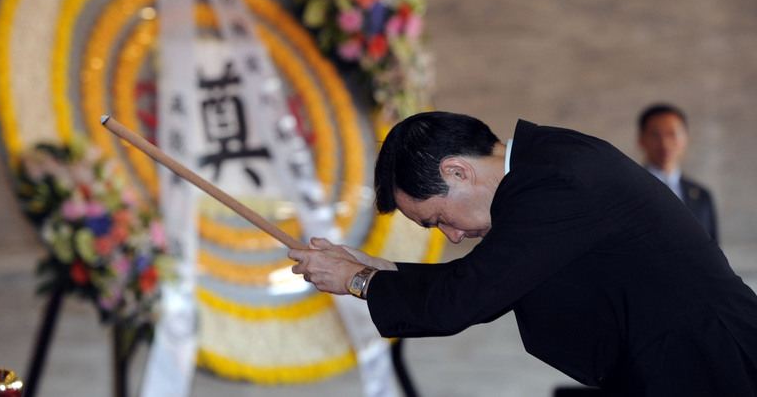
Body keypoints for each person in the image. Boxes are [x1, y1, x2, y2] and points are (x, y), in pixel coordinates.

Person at [289, 111, 757, 396]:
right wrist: (378, 269)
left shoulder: (553, 182)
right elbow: (492, 280)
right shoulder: (542, 164)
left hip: (714, 367)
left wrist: (359, 281)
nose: (451, 237)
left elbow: (467, 297)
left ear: (456, 171)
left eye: (438, 219)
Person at [638, 103, 718, 241]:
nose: (665, 143)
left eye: (672, 134)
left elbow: (714, 251)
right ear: (641, 140)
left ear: (685, 138)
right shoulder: (630, 189)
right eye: (655, 135)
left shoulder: (701, 196)